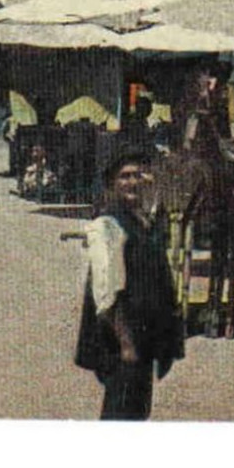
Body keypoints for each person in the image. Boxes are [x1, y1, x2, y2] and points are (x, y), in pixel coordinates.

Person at [75, 152, 186, 420]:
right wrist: (126, 344)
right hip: (123, 342)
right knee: (120, 411)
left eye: (138, 175)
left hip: (144, 339)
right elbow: (106, 292)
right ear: (113, 184)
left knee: (138, 411)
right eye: (125, 176)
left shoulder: (143, 221)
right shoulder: (108, 225)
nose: (133, 182)